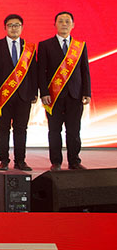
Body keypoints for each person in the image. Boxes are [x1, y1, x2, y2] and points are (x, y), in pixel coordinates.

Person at [38, 11, 91, 171]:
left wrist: (87, 93)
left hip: (75, 95)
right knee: (54, 130)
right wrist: (44, 92)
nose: (64, 24)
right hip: (53, 96)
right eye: (61, 21)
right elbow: (41, 72)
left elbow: (84, 70)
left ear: (73, 25)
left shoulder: (79, 46)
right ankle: (56, 162)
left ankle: (74, 161)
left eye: (67, 21)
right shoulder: (45, 45)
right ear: (55, 24)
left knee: (74, 130)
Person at [0, 14, 38, 171]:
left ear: (22, 27)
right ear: (5, 28)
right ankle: (4, 160)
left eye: (17, 25)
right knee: (2, 128)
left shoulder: (29, 48)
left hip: (24, 95)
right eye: (10, 25)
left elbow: (33, 72)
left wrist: (34, 92)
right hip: (3, 95)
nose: (14, 28)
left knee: (21, 129)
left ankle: (20, 160)